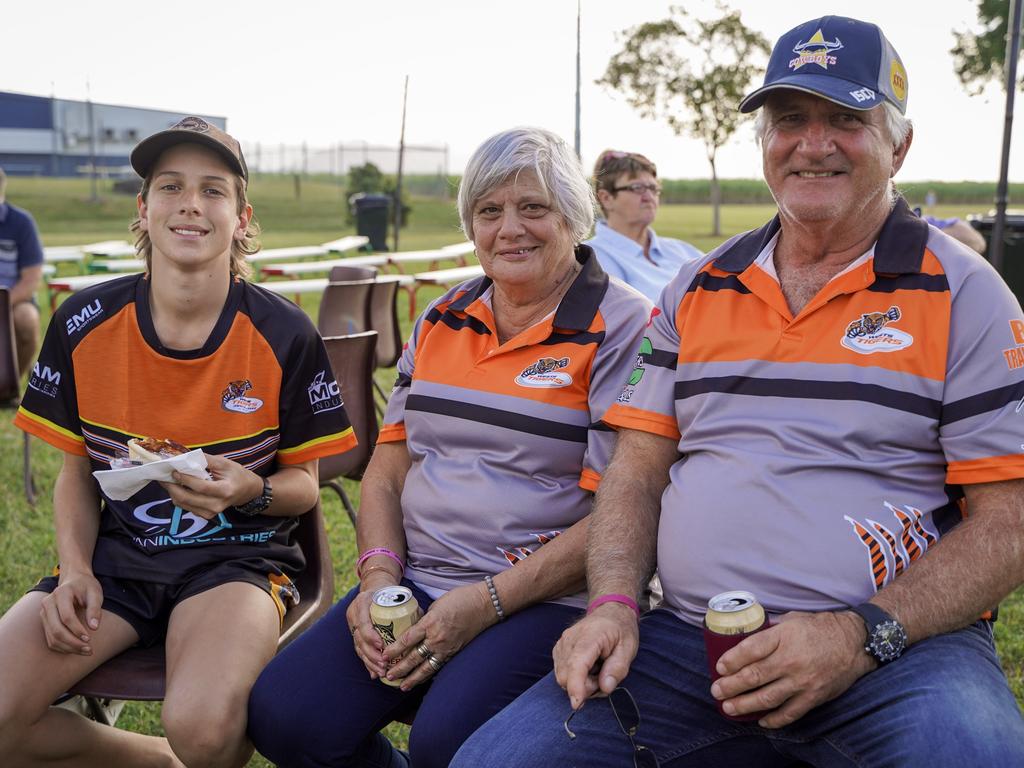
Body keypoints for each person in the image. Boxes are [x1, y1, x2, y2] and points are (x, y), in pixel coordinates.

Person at [453, 16, 1024, 767]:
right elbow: (635, 471)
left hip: (901, 646)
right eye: (790, 120)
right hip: (689, 639)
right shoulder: (698, 288)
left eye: (846, 120)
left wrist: (860, 632)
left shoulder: (967, 294)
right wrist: (616, 604)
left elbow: (1008, 521)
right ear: (764, 142)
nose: (812, 143)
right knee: (495, 762)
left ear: (900, 146)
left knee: (972, 754)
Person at [247, 126, 652, 768]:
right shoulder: (442, 319)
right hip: (416, 582)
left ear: (574, 218)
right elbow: (386, 470)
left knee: (449, 742)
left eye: (533, 208)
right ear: (471, 226)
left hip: (545, 598)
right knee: (282, 718)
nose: (510, 229)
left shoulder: (624, 324)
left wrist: (485, 602)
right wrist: (379, 579)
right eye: (489, 211)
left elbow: (624, 507)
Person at [0, 117, 356, 768]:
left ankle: (185, 750)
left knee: (204, 727)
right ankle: (154, 761)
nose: (191, 203)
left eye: (213, 190)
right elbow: (76, 474)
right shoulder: (83, 322)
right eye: (170, 186)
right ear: (144, 209)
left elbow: (305, 485)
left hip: (238, 561)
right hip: (118, 562)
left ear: (242, 218)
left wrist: (250, 488)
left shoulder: (284, 332)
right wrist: (75, 571)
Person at [584, 150, 702, 301]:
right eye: (637, 188)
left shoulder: (683, 251)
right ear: (606, 198)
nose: (649, 197)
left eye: (653, 189)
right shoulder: (592, 260)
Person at [0, 167, 44, 379]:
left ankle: (9, 384)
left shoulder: (21, 222)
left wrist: (2, 303)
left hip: (13, 298)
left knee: (26, 319)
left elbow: (31, 279)